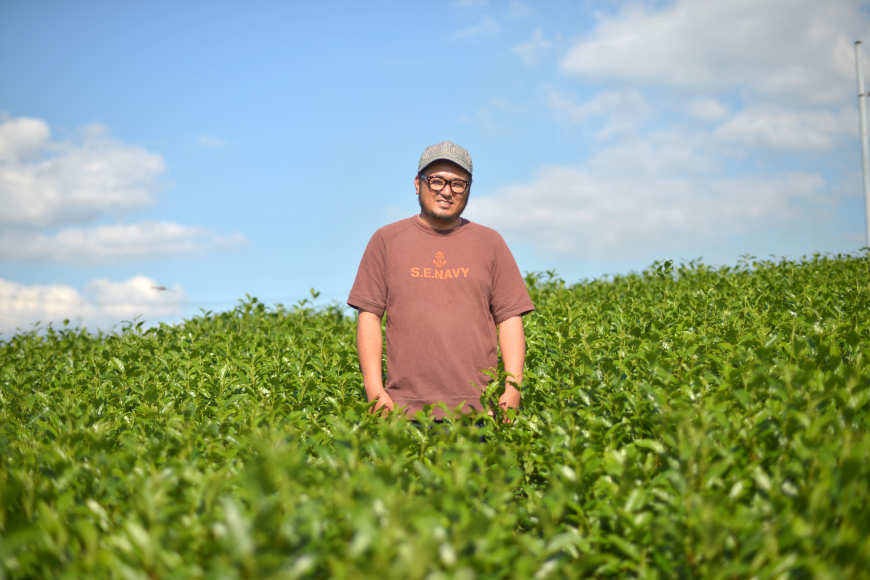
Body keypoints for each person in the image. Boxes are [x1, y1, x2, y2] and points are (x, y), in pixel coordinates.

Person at [347, 141, 535, 420]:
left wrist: (512, 389)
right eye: (436, 181)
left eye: (458, 184)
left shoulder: (490, 242)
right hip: (403, 412)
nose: (447, 191)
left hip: (481, 412)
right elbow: (369, 317)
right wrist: (374, 391)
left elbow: (509, 319)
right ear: (418, 183)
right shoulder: (386, 241)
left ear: (468, 189)